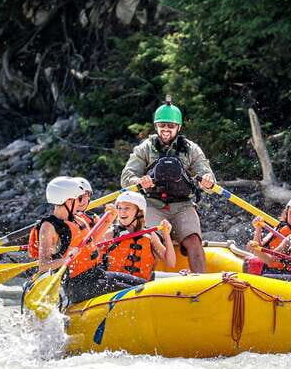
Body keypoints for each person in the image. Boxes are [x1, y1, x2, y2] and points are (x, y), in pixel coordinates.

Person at [120, 96, 215, 272]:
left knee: (194, 240)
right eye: (162, 125)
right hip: (152, 204)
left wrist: (207, 180)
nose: (166, 129)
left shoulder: (191, 149)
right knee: (150, 240)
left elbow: (206, 174)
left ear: (178, 127)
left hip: (182, 205)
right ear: (156, 126)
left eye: (170, 126)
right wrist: (138, 181)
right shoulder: (145, 148)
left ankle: (201, 280)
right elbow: (127, 177)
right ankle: (147, 278)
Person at [35, 177, 145, 305]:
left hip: (97, 274)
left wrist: (110, 219)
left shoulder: (77, 218)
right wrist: (66, 259)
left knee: (144, 284)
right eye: (79, 199)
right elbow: (43, 265)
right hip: (78, 285)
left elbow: (91, 242)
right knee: (137, 292)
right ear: (68, 200)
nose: (81, 203)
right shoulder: (49, 227)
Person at [101, 191, 177, 280]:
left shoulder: (150, 236)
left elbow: (171, 262)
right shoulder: (111, 234)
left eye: (127, 208)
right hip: (116, 283)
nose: (122, 212)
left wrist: (166, 235)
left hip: (142, 284)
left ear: (139, 212)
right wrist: (106, 222)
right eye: (119, 208)